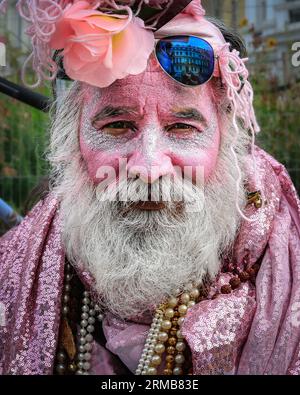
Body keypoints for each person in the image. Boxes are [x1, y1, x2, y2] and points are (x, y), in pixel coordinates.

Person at [0, 0, 300, 375]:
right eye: (117, 126)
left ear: (227, 143)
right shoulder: (15, 268)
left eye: (182, 128)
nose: (149, 169)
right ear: (71, 143)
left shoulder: (287, 270)